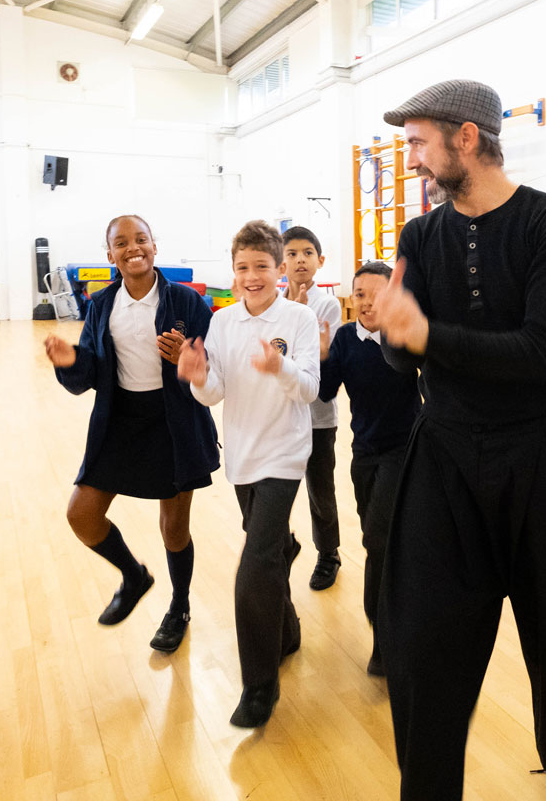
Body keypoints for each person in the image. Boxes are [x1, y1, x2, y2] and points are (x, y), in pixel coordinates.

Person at [369, 79, 546, 801]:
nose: (413, 157)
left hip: (540, 454)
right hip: (444, 456)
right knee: (422, 646)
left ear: (467, 138)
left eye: (419, 141)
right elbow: (406, 358)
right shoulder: (419, 235)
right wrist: (392, 330)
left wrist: (425, 334)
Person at [43, 214, 219, 654]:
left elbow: (213, 364)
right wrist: (69, 362)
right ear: (110, 256)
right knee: (81, 514)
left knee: (174, 528)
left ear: (155, 247)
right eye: (121, 243)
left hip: (173, 423)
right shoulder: (101, 305)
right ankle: (134, 575)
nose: (132, 247)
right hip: (119, 422)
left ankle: (179, 606)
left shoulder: (186, 302)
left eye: (141, 239)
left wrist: (189, 359)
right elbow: (90, 373)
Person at [177, 220, 319, 728]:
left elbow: (308, 389)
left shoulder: (299, 319)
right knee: (270, 549)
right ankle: (287, 629)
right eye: (243, 268)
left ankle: (259, 686)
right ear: (233, 273)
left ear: (280, 270)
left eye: (261, 266)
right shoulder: (221, 323)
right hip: (241, 457)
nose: (252, 276)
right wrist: (198, 377)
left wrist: (277, 365)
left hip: (284, 455)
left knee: (253, 565)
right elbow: (214, 391)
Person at [317, 260, 420, 676]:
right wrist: (324, 356)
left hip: (406, 451)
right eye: (359, 294)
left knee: (379, 538)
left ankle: (384, 638)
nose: (365, 301)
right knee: (376, 539)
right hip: (365, 453)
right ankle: (392, 622)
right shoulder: (345, 338)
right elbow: (324, 393)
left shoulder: (407, 336)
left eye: (375, 294)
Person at [282, 225, 345, 591]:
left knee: (320, 488)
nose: (299, 260)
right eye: (291, 254)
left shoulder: (327, 305)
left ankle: (329, 553)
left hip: (318, 417)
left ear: (320, 261)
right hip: (279, 415)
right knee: (278, 487)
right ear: (280, 264)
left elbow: (324, 362)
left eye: (307, 253)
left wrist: (300, 320)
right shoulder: (271, 304)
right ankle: (284, 544)